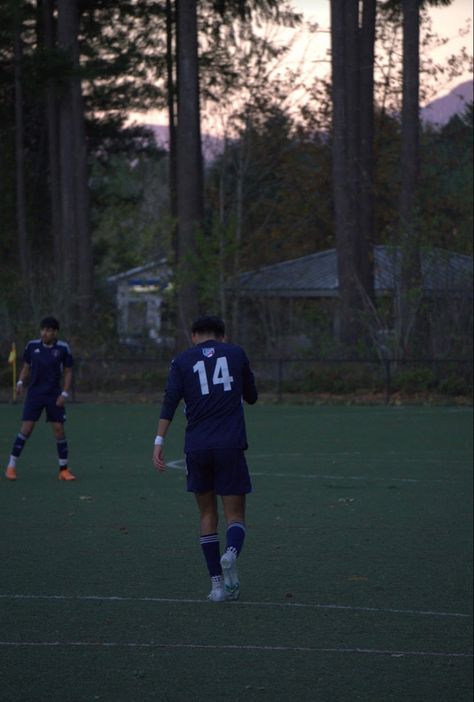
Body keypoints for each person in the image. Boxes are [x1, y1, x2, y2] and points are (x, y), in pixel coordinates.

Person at [153, 315, 258, 602]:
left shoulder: (181, 361)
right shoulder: (236, 353)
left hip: (196, 448)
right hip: (230, 445)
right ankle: (231, 553)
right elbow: (252, 396)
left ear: (193, 336)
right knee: (235, 515)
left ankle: (216, 586)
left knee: (207, 515)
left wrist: (158, 441)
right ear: (222, 336)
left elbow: (170, 400)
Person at [4, 316, 76, 481]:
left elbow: (68, 371)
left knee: (59, 430)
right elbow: (26, 366)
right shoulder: (32, 346)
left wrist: (64, 393)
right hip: (35, 394)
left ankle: (63, 470)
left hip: (53, 395)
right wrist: (21, 381)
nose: (45, 333)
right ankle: (11, 466)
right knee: (26, 429)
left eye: (49, 330)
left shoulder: (63, 348)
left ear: (55, 332)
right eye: (43, 329)